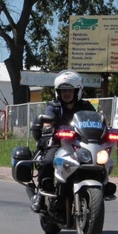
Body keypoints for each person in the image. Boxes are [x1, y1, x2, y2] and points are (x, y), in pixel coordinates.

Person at [31, 70, 96, 213]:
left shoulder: (86, 106)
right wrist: (48, 127)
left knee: (97, 160)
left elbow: (96, 120)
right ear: (58, 92)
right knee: (48, 161)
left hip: (81, 144)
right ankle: (40, 195)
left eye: (70, 90)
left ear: (77, 91)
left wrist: (106, 128)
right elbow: (47, 120)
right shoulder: (54, 107)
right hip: (58, 143)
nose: (66, 93)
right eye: (63, 90)